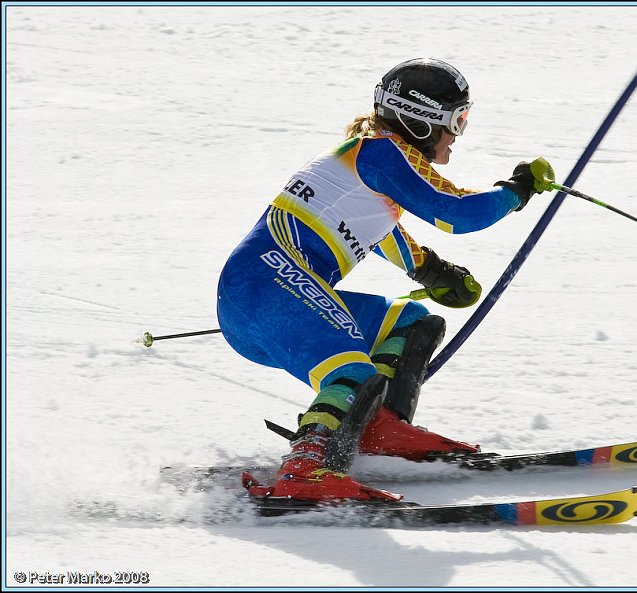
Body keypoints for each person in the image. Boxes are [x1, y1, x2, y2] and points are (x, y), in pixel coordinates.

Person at [217, 58, 554, 503]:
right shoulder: (382, 152)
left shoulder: (368, 154)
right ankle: (304, 469)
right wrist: (517, 190)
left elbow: (371, 228)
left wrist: (432, 271)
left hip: (264, 294)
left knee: (413, 323)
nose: (457, 135)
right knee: (354, 373)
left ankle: (378, 429)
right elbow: (456, 211)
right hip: (265, 288)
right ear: (421, 119)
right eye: (458, 120)